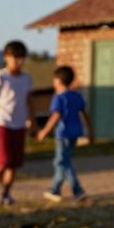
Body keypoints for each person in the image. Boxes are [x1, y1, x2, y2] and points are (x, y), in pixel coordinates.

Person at [0, 40, 33, 207]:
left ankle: (6, 193)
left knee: (14, 163)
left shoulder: (26, 79)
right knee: (2, 161)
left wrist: (31, 119)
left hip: (19, 124)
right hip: (2, 123)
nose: (18, 62)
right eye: (14, 58)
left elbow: (28, 100)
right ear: (6, 58)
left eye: (21, 58)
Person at [36, 64, 94, 202]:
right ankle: (58, 190)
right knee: (63, 162)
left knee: (62, 162)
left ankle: (74, 190)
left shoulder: (59, 97)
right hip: (75, 133)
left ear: (58, 80)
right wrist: (91, 131)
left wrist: (44, 131)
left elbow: (56, 115)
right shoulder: (76, 96)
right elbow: (85, 114)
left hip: (63, 134)